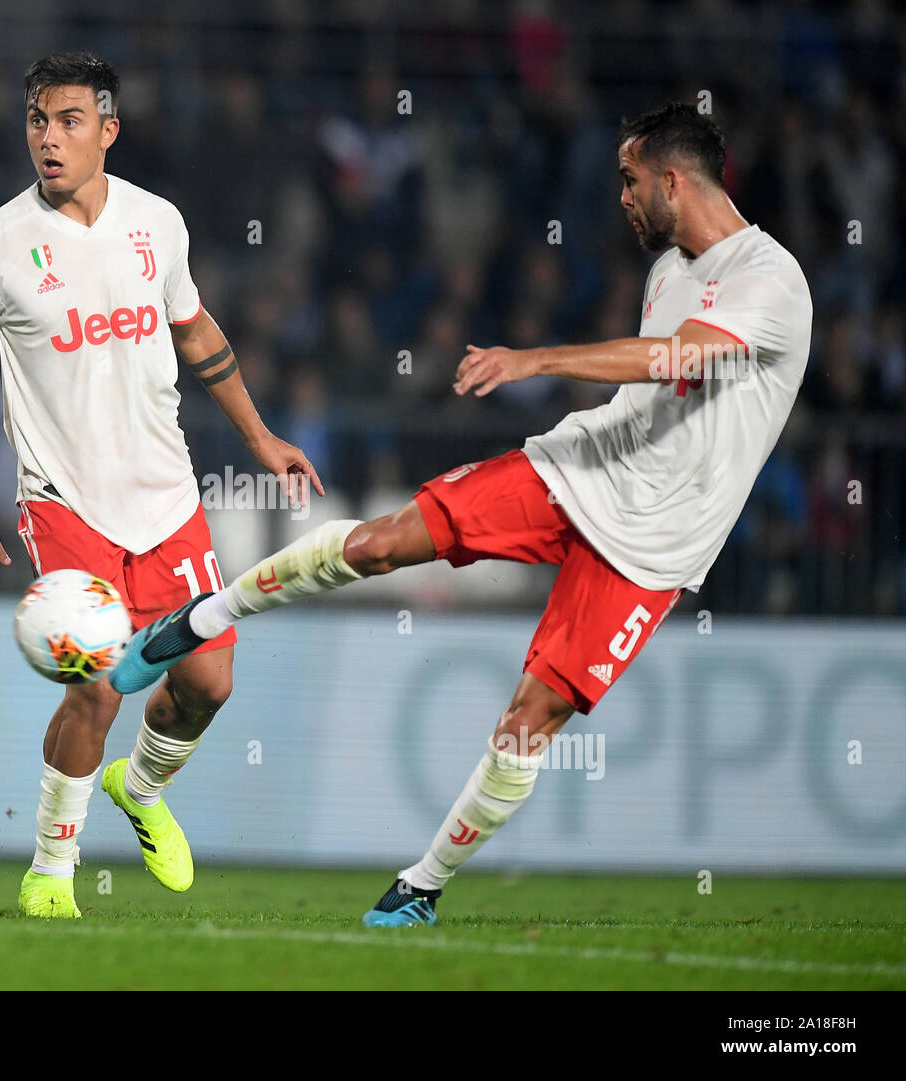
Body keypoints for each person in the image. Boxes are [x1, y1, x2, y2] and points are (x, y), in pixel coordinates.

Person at [111, 101, 814, 926]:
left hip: (654, 546)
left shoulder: (771, 278)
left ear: (672, 178)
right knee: (379, 543)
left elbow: (670, 358)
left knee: (533, 715)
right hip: (579, 468)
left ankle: (423, 883)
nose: (621, 197)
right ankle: (204, 616)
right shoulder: (669, 271)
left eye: (629, 181)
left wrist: (535, 358)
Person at [0, 51, 321, 918]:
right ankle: (50, 871)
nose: (49, 138)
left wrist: (259, 435)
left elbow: (193, 327)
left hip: (168, 494)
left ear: (109, 129)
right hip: (62, 498)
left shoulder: (159, 224)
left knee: (209, 684)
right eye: (37, 119)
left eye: (69, 120)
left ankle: (140, 789)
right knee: (96, 680)